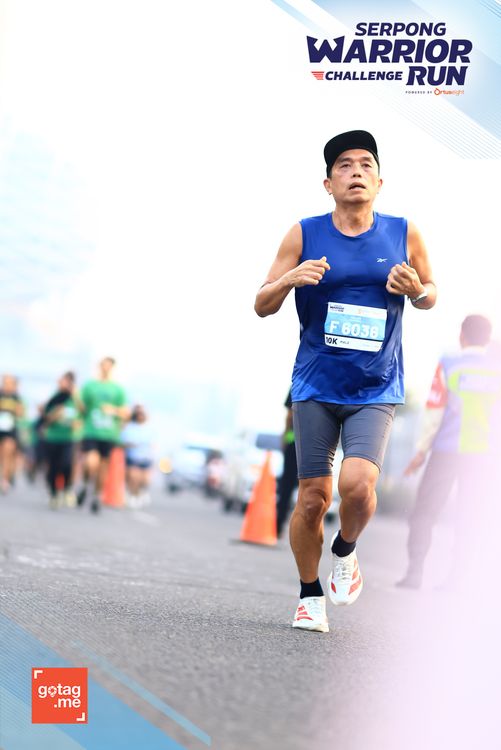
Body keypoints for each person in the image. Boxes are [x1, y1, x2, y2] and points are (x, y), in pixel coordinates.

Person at [254, 130, 436, 632]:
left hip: (375, 387)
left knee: (356, 486)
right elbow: (262, 303)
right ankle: (309, 595)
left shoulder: (404, 232)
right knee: (313, 496)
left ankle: (345, 549)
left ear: (379, 181)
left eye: (365, 164)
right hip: (315, 384)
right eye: (344, 166)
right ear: (328, 183)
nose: (356, 172)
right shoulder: (304, 234)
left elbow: (430, 294)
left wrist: (417, 290)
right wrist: (289, 280)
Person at [397, 315, 501, 589]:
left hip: (446, 451)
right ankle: (457, 579)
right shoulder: (496, 369)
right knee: (470, 516)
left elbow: (434, 412)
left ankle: (415, 572)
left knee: (424, 512)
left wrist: (420, 452)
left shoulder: (450, 364)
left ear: (462, 335)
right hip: (484, 457)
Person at [77, 357, 129, 513]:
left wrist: (113, 410)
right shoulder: (89, 385)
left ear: (112, 368)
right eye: (103, 366)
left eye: (109, 366)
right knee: (90, 462)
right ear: (99, 366)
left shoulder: (118, 389)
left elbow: (125, 413)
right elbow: (81, 407)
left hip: (109, 434)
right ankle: (85, 484)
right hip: (91, 430)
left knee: (103, 467)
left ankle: (97, 495)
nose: (105, 368)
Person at [41, 371, 82, 510]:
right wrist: (56, 413)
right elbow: (46, 418)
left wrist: (76, 396)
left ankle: (67, 488)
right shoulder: (55, 398)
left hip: (69, 438)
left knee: (67, 464)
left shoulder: (75, 399)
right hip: (53, 437)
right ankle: (53, 493)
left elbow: (83, 413)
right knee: (53, 466)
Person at [121, 404, 154, 508]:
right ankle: (133, 496)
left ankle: (140, 493)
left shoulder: (149, 428)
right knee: (133, 478)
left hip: (145, 458)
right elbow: (123, 441)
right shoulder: (129, 427)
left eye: (142, 414)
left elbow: (153, 444)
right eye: (138, 414)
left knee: (145, 481)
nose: (140, 416)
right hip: (132, 457)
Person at [276, 389, 299, 538]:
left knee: (287, 487)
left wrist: (285, 438)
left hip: (293, 445)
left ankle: (278, 526)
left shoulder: (298, 382)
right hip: (315, 445)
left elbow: (290, 415)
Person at [0, 375, 25, 493]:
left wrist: (15, 409)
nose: (6, 385)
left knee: (7, 454)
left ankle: (5, 480)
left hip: (10, 431)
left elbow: (21, 413)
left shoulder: (17, 398)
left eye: (9, 383)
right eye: (5, 383)